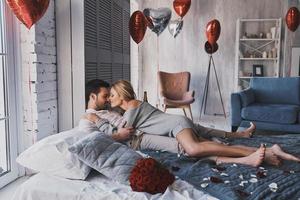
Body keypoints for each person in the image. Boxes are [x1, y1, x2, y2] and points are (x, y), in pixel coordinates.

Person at [103, 80, 300, 167]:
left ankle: (256, 153)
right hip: (177, 125)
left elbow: (124, 135)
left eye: (111, 95)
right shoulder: (134, 107)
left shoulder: (131, 109)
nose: (109, 99)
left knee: (194, 149)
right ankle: (268, 150)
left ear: (121, 95)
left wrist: (101, 119)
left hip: (176, 125)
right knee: (206, 148)